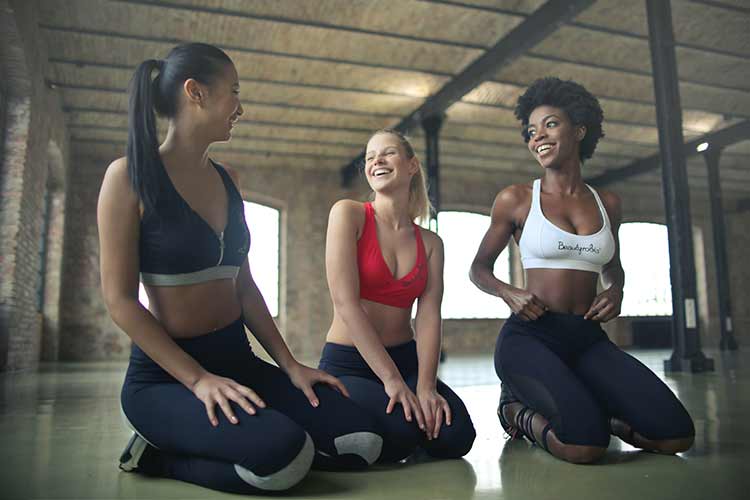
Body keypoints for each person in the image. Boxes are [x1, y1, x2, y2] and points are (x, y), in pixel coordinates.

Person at [97, 43, 382, 494]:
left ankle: (255, 431)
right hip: (166, 380)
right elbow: (119, 301)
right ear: (196, 93)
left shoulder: (228, 179)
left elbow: (244, 286)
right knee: (285, 458)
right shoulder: (128, 177)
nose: (240, 107)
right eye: (233, 92)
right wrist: (199, 380)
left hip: (240, 362)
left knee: (361, 442)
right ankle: (156, 455)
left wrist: (288, 364)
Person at [469, 77, 694, 464]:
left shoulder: (608, 203)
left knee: (676, 434)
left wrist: (616, 291)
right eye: (531, 131)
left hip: (588, 339)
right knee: (583, 446)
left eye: (550, 124)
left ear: (580, 130)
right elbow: (478, 269)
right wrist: (510, 292)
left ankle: (604, 416)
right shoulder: (517, 199)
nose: (537, 136)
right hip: (530, 338)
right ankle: (514, 410)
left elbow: (613, 268)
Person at [318, 129, 476, 463]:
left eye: (387, 153)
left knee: (456, 435)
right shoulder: (348, 214)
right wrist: (391, 381)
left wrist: (425, 385)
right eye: (369, 157)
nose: (376, 160)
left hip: (406, 360)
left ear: (411, 165)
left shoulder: (432, 243)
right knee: (402, 435)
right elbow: (345, 303)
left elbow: (429, 316)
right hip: (350, 365)